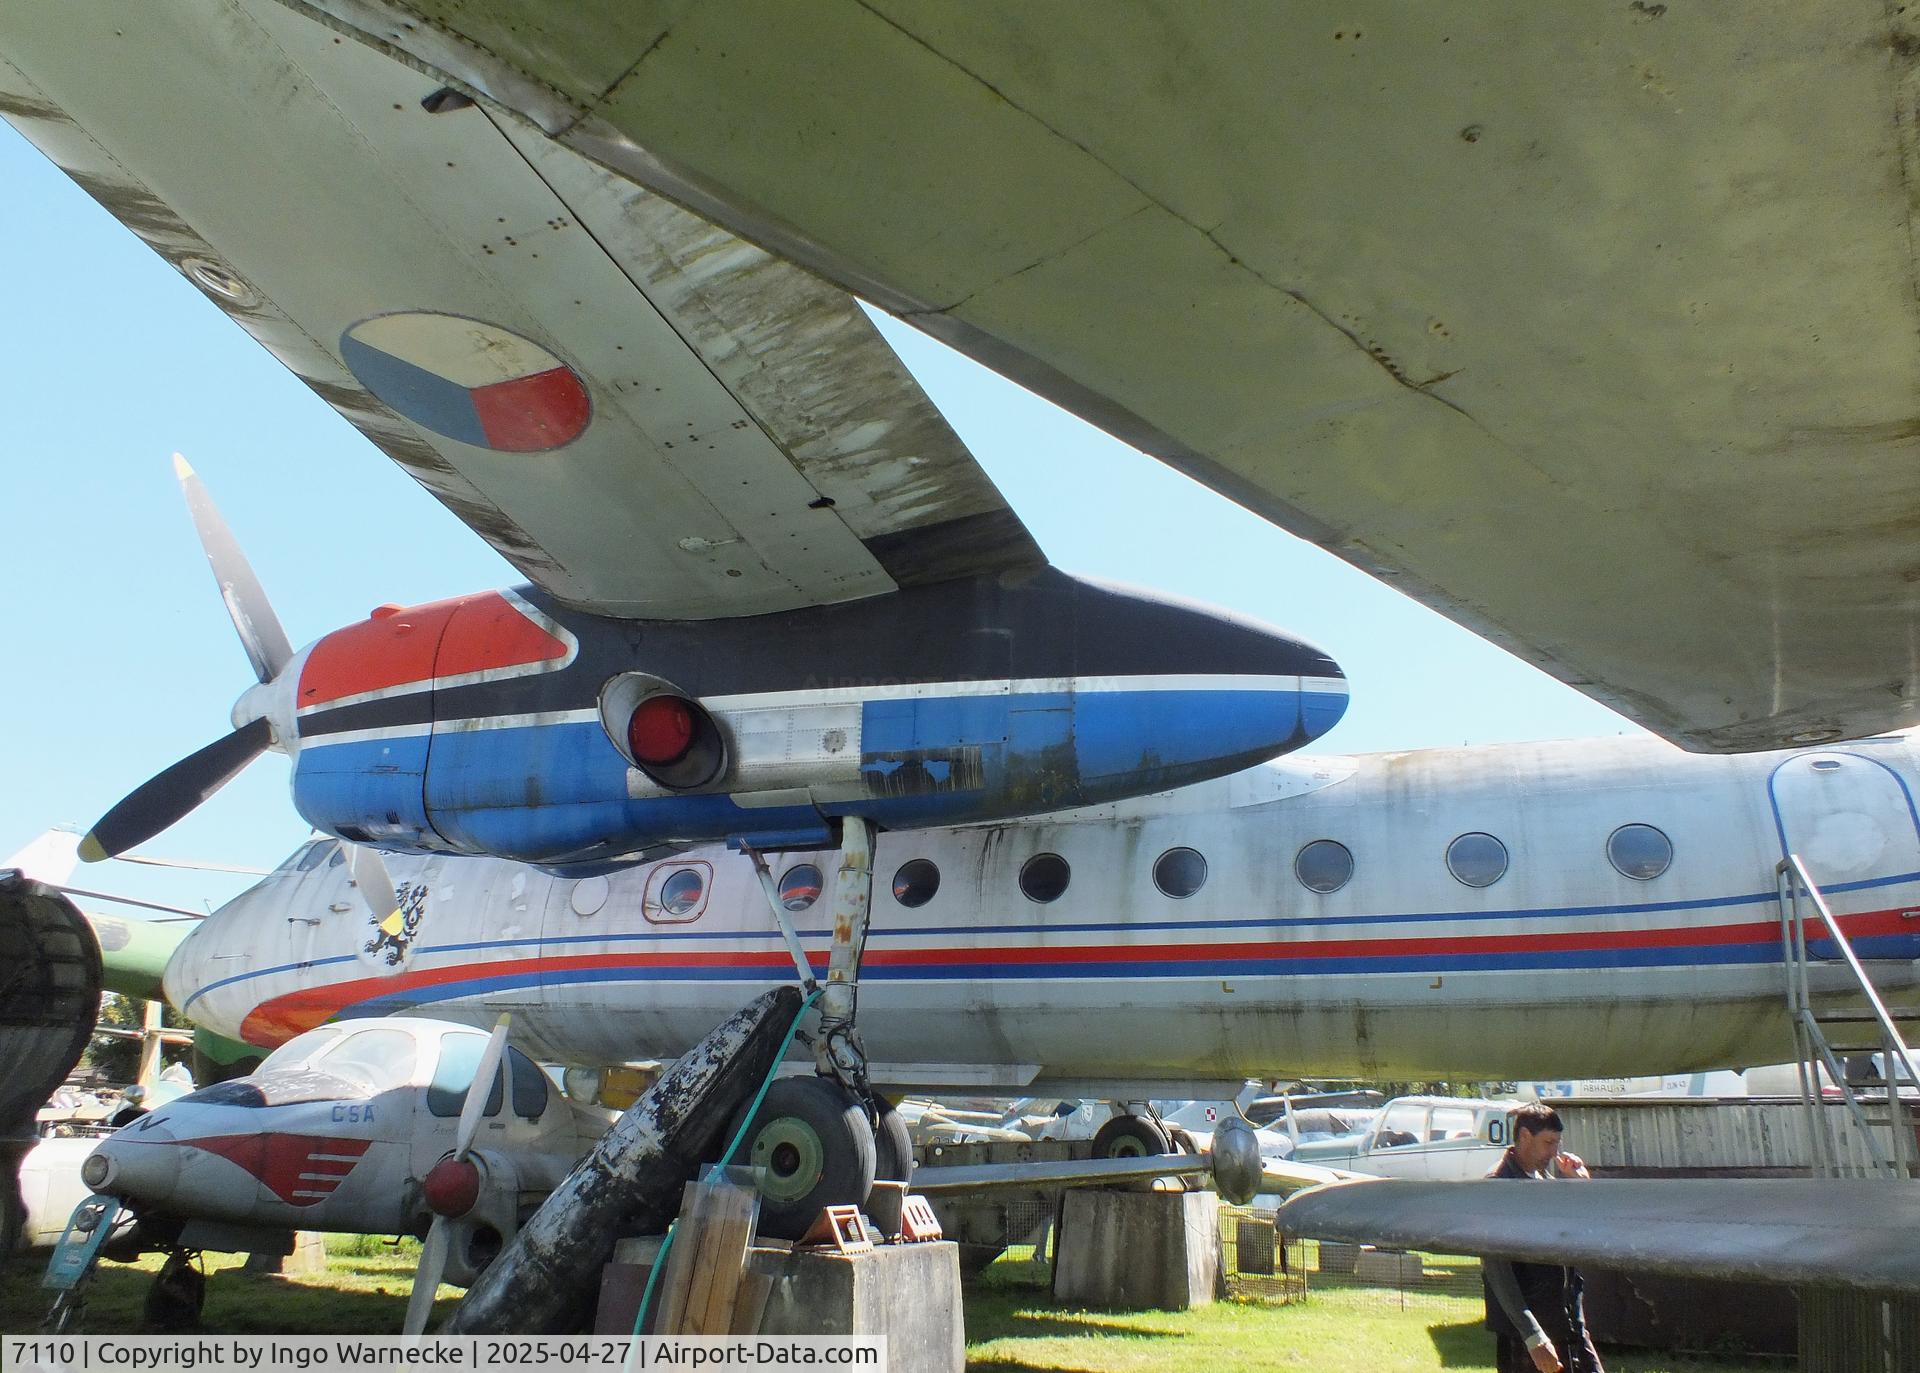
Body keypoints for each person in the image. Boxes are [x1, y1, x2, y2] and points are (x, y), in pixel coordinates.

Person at [1482, 1103, 1605, 1373]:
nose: (1554, 1153)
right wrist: (1533, 1336)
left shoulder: (1546, 1184)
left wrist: (1579, 1189)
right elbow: (1498, 1272)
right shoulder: (1497, 1186)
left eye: (1557, 1143)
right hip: (1528, 1337)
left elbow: (1579, 1239)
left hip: (1567, 1326)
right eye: (1548, 1142)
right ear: (1524, 1136)